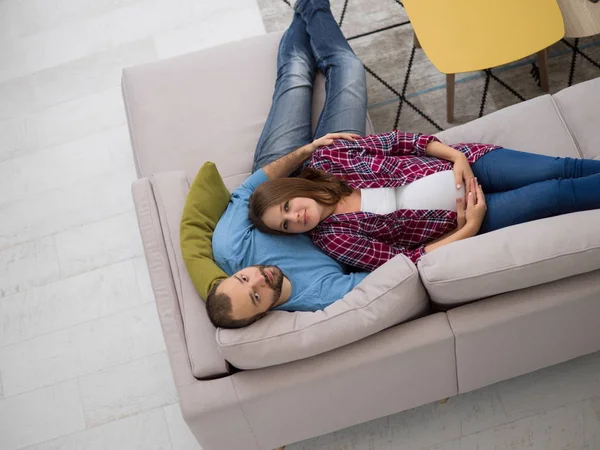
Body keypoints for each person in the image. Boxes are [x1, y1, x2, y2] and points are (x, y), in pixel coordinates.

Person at [209, 0, 370, 329]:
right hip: (334, 183)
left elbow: (250, 189)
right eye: (256, 296)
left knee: (296, 78)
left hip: (278, 183)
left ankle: (309, 4)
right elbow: (388, 269)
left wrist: (306, 149)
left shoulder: (229, 248)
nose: (259, 279)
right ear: (264, 314)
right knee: (349, 69)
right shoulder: (318, 295)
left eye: (244, 279)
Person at [249, 133, 600, 272]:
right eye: (286, 225)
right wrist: (472, 225)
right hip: (471, 217)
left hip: (468, 163)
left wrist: (457, 158)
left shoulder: (329, 157)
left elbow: (401, 142)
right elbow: (409, 261)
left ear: (288, 190)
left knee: (558, 167)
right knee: (554, 193)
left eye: (286, 208)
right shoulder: (334, 239)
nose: (296, 218)